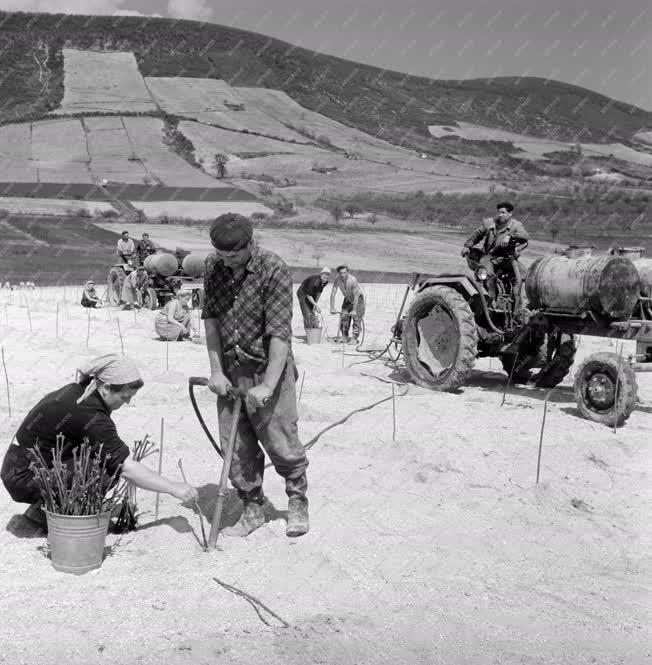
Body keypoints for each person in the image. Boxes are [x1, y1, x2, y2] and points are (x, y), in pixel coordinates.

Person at [203, 213, 309, 538]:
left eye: (233, 255)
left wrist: (267, 384)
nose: (227, 261)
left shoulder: (273, 268)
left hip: (268, 368)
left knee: (281, 439)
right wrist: (217, 371)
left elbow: (280, 333)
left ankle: (297, 503)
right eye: (222, 255)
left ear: (250, 243)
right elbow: (210, 321)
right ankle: (252, 507)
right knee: (234, 446)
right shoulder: (213, 267)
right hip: (233, 370)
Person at [1, 354, 197, 528]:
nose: (128, 402)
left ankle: (45, 508)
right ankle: (50, 515)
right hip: (25, 477)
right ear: (106, 388)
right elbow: (126, 468)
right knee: (106, 469)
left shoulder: (80, 391)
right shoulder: (88, 413)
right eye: (124, 396)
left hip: (20, 467)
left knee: (99, 457)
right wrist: (173, 488)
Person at [461, 201, 529, 301]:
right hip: (488, 256)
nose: (500, 215)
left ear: (510, 214)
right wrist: (467, 246)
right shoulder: (490, 223)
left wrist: (510, 236)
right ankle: (490, 298)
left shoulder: (516, 225)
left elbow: (525, 236)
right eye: (499, 212)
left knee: (523, 273)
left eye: (503, 213)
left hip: (506, 258)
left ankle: (519, 299)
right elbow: (477, 235)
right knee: (487, 272)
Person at [330, 265, 365, 344]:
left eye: (344, 273)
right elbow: (333, 292)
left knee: (356, 318)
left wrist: (354, 310)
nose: (342, 275)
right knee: (344, 317)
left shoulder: (353, 280)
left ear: (347, 272)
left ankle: (354, 338)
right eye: (341, 273)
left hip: (358, 299)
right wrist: (332, 307)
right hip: (347, 299)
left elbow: (356, 296)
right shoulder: (337, 279)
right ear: (338, 273)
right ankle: (344, 336)